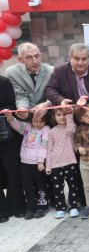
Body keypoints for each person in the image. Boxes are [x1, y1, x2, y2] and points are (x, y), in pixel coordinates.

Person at [4, 109, 50, 219]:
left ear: (45, 121)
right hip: (24, 163)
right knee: (27, 187)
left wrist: (40, 161)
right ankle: (31, 208)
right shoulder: (28, 128)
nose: (38, 124)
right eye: (35, 121)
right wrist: (10, 117)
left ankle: (42, 206)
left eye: (41, 121)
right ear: (31, 119)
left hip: (38, 164)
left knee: (41, 185)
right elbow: (17, 126)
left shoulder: (46, 129)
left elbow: (44, 146)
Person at [45, 107, 80, 219]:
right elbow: (49, 150)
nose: (62, 117)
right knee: (57, 188)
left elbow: (71, 128)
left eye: (64, 114)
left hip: (70, 163)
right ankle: (60, 208)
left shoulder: (71, 128)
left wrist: (69, 113)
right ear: (54, 117)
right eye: (59, 114)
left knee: (73, 186)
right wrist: (48, 165)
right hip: (55, 165)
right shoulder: (51, 132)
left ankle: (73, 206)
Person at [0, 76, 26, 222]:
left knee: (13, 172)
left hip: (7, 135)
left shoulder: (4, 81)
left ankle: (18, 207)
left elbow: (11, 105)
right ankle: (2, 211)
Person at [45, 43, 89, 107]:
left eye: (84, 59)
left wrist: (86, 98)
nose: (80, 63)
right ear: (70, 58)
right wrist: (60, 100)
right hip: (67, 109)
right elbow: (50, 90)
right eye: (76, 59)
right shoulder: (59, 71)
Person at [6, 42, 54, 120]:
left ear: (41, 56)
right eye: (29, 57)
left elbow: (54, 92)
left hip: (48, 115)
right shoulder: (12, 72)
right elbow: (20, 95)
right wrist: (22, 108)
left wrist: (48, 104)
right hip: (25, 118)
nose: (35, 61)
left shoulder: (52, 71)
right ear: (20, 60)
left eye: (37, 56)